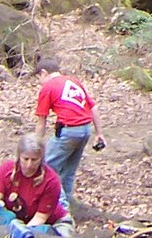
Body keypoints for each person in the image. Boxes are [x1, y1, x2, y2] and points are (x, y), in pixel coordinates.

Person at [34, 56, 106, 202]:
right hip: (85, 130)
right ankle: (66, 202)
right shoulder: (74, 81)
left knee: (46, 168)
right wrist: (99, 133)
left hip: (69, 131)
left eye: (38, 78)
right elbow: (93, 107)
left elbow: (42, 121)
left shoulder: (48, 87)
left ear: (44, 73)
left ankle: (49, 203)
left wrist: (35, 145)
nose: (39, 83)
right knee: (68, 171)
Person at [0, 133, 73, 236]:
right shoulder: (7, 169)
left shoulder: (51, 180)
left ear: (41, 158)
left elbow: (40, 217)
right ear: (19, 156)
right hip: (18, 219)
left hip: (52, 222)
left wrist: (22, 232)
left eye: (34, 160)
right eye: (25, 159)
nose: (29, 165)